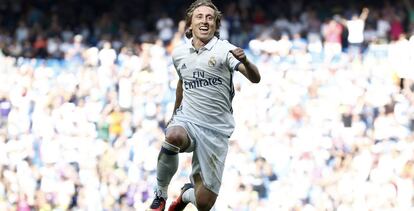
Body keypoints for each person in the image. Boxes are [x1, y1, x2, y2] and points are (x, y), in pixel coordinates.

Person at [148, 0, 261, 210]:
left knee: (203, 204)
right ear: (190, 24)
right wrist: (174, 116)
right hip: (188, 120)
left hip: (215, 130)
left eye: (210, 18)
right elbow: (183, 83)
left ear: (216, 25)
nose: (205, 21)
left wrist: (246, 62)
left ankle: (184, 195)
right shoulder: (179, 54)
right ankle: (160, 194)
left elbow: (255, 78)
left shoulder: (225, 50)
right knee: (173, 136)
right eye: (199, 16)